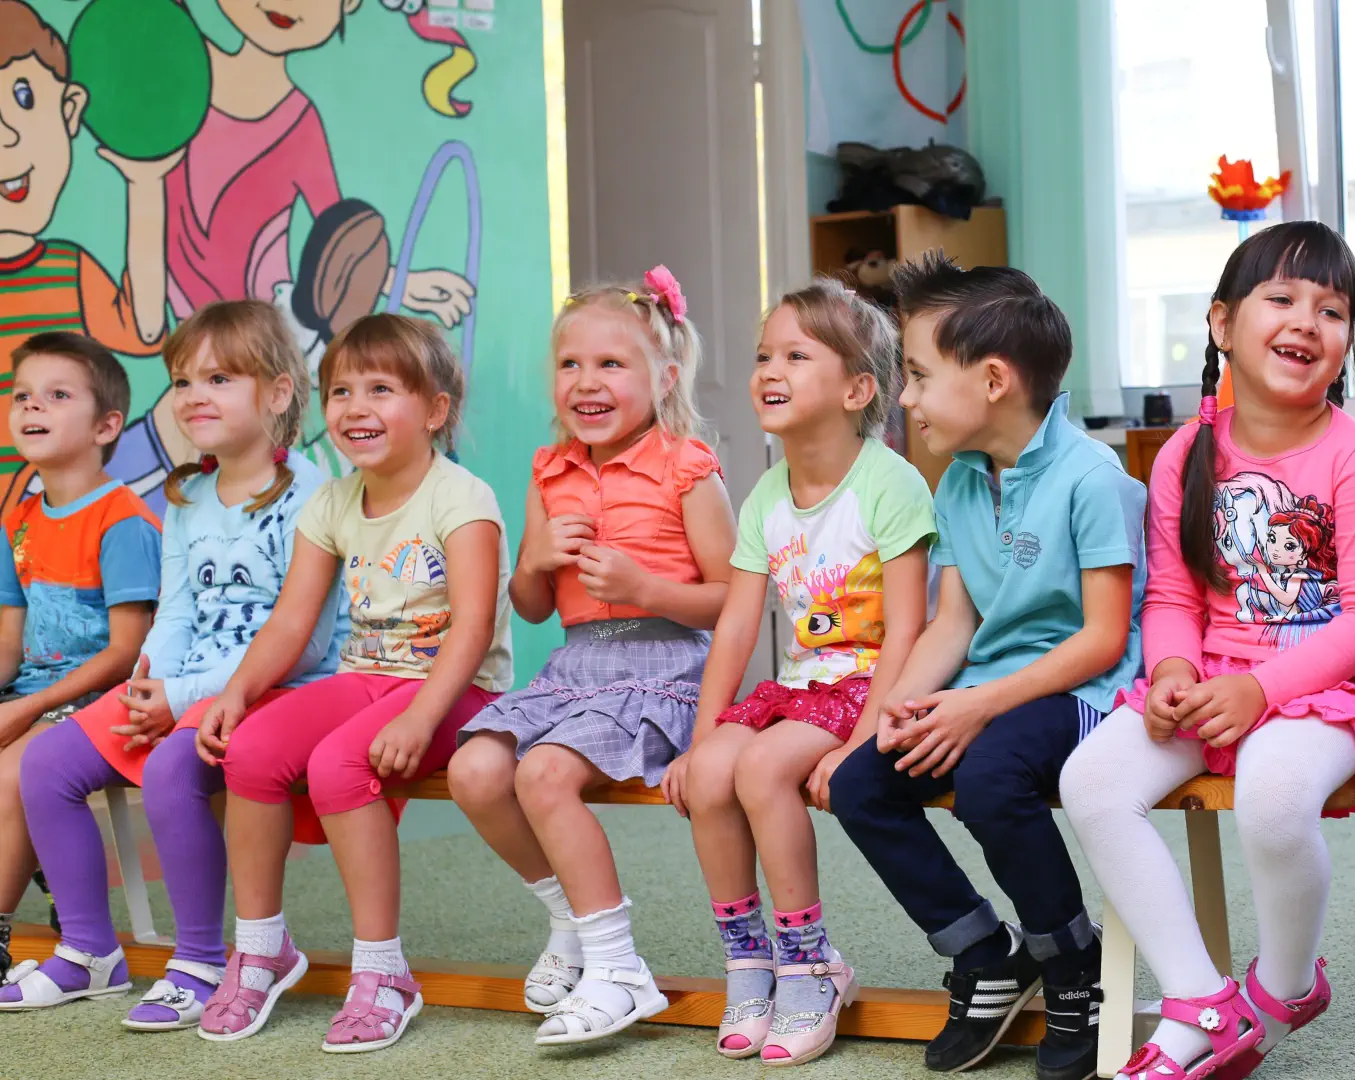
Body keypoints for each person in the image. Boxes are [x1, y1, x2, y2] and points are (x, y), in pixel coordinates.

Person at [1060, 222, 1355, 1080]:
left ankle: (1284, 985)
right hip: (1213, 678)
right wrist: (1171, 671)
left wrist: (1262, 691)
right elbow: (1170, 596)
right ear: (1221, 322)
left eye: (1334, 310)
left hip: (1339, 680)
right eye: (1282, 299)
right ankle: (1200, 999)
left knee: (1274, 790)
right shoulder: (1182, 454)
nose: (1308, 321)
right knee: (1090, 780)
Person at [829, 254, 1145, 1080]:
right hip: (989, 689)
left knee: (992, 778)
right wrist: (892, 713)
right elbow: (953, 626)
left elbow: (1103, 639)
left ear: (995, 379)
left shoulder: (1093, 479)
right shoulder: (960, 482)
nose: (907, 398)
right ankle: (984, 955)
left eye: (921, 376)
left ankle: (1072, 962)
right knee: (862, 783)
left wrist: (977, 709)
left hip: (1080, 692)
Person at [2, 301, 344, 1022]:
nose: (193, 398)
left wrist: (181, 693)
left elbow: (303, 641)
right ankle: (90, 952)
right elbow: (179, 608)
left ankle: (199, 959)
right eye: (183, 381)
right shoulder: (186, 495)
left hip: (277, 689)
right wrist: (147, 684)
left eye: (219, 378)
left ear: (278, 392)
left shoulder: (311, 495)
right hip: (184, 684)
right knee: (49, 763)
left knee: (169, 768)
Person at [192, 313, 512, 1053]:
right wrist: (236, 693)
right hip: (369, 678)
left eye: (380, 389)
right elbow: (290, 622)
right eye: (340, 391)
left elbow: (470, 630)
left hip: (458, 688)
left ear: (435, 410)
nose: (355, 407)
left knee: (341, 762)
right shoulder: (333, 502)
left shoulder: (460, 499)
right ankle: (262, 944)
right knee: (251, 751)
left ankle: (383, 970)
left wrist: (421, 716)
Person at [448, 270, 734, 1046]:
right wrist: (534, 560)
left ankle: (617, 968)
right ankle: (569, 916)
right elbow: (534, 607)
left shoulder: (688, 468)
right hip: (575, 667)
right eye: (571, 365)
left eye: (612, 364)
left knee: (542, 774)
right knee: (473, 770)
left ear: (663, 377)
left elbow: (737, 599)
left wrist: (647, 585)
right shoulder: (549, 470)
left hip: (665, 668)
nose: (588, 382)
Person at [663, 277, 932, 1066]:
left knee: (758, 771)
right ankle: (750, 960)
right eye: (762, 355)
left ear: (857, 389)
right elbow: (740, 623)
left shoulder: (890, 482)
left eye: (795, 355)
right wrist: (702, 733)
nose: (768, 370)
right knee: (710, 772)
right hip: (801, 688)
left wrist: (861, 741)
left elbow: (911, 629)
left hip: (869, 687)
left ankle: (812, 961)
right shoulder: (765, 495)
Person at [0, 333, 159, 981]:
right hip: (38, 696)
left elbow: (128, 653)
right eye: (22, 396)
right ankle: (63, 886)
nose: (32, 406)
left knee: (14, 770)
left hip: (103, 703)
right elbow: (10, 645)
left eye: (56, 395)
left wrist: (27, 709)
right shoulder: (19, 522)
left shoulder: (122, 521)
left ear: (106, 425)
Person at [0, 1, 172, 505]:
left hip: (54, 509)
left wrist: (145, 183)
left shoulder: (68, 270)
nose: (7, 133)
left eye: (24, 96)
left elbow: (144, 330)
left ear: (70, 109)